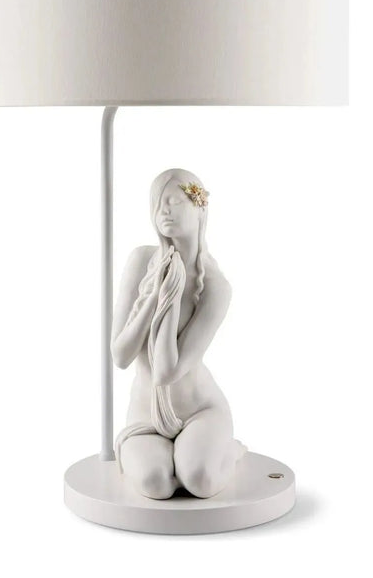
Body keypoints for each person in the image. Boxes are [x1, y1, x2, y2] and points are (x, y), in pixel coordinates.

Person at [111, 168, 247, 499]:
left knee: (200, 480)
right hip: (146, 414)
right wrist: (154, 296)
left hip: (199, 410)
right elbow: (120, 355)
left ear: (199, 208)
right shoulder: (141, 260)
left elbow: (166, 371)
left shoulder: (215, 287)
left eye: (174, 202)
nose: (164, 212)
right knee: (154, 484)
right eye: (157, 204)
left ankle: (229, 451)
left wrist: (171, 298)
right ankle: (172, 460)